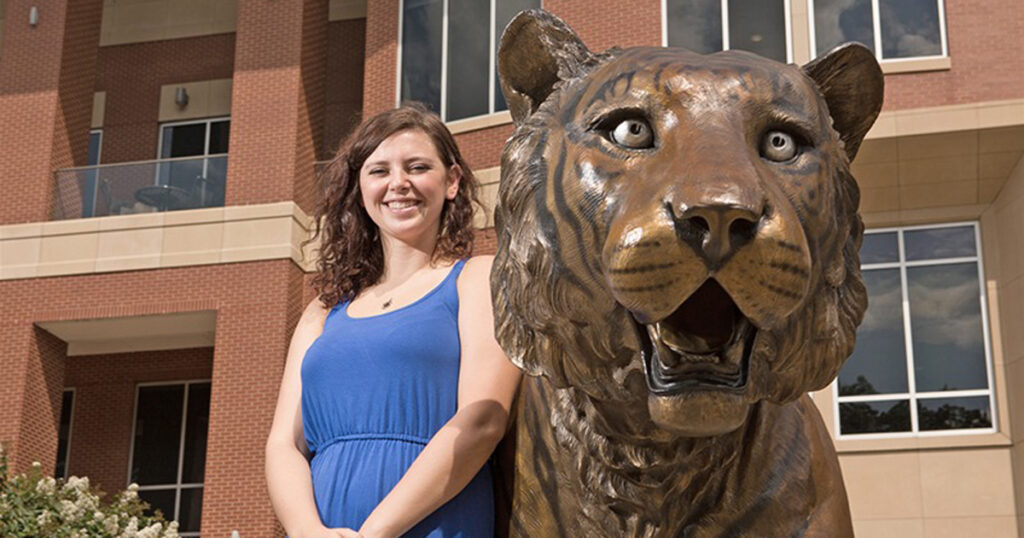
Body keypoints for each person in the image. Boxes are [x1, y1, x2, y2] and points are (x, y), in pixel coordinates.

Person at [265, 104, 521, 538]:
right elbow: (284, 444)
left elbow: (483, 421)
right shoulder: (324, 311)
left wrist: (374, 534)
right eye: (378, 170)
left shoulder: (478, 280)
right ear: (360, 189)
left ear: (452, 181)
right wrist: (309, 531)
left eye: (417, 167)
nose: (398, 183)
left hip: (437, 525)